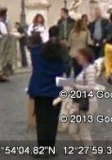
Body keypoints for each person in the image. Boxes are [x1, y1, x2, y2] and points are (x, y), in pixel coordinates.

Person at [28, 26, 66, 158]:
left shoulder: (38, 55)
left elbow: (33, 47)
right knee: (52, 121)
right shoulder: (60, 58)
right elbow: (65, 73)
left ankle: (42, 149)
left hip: (40, 91)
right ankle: (50, 148)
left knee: (42, 122)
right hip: (56, 91)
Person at [69, 47, 99, 160]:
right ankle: (86, 152)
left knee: (84, 131)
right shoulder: (84, 69)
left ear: (85, 57)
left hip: (88, 103)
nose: (77, 58)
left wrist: (75, 86)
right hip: (80, 102)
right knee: (73, 130)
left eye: (79, 56)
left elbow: (91, 87)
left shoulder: (90, 69)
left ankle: (90, 156)